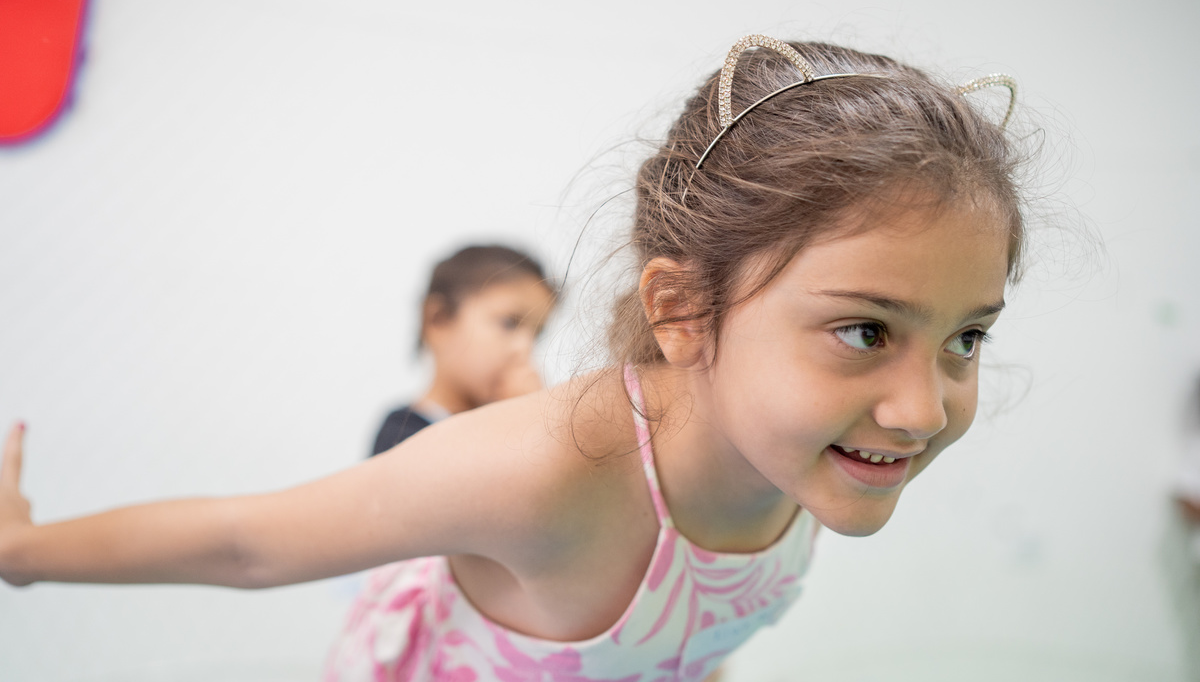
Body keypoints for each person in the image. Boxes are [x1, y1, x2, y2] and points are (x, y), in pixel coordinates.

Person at [0, 35, 1028, 681]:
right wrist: (25, 549)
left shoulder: (806, 451)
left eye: (966, 338)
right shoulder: (541, 471)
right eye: (865, 330)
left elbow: (687, 631)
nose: (921, 407)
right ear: (684, 310)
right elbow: (246, 541)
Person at [371, 244, 558, 456]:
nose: (524, 348)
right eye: (509, 323)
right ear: (438, 320)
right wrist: (521, 422)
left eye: (537, 334)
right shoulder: (401, 436)